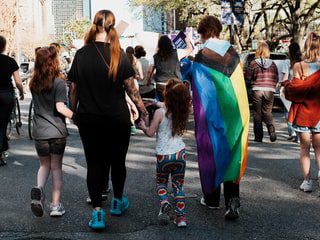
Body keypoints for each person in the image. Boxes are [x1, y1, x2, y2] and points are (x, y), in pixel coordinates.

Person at [69, 10, 148, 230]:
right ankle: (117, 201)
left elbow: (74, 88)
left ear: (94, 26)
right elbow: (132, 89)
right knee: (117, 162)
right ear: (112, 28)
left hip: (89, 119)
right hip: (117, 119)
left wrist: (73, 112)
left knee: (94, 164)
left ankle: (97, 213)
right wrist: (143, 111)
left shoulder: (81, 55)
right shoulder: (119, 55)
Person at [192, 16, 250, 220]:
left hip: (212, 113)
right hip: (236, 112)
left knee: (211, 151)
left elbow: (200, 90)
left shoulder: (201, 56)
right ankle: (232, 200)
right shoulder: (233, 53)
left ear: (203, 32)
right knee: (233, 152)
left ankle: (212, 198)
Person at [138, 80, 191, 227]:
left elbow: (150, 132)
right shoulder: (184, 111)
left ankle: (165, 203)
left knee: (161, 183)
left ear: (166, 95)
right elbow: (168, 105)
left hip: (164, 156)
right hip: (180, 154)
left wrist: (142, 125)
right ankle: (181, 218)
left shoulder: (160, 113)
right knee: (178, 186)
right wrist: (156, 103)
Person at [29, 46, 74, 217]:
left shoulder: (33, 84)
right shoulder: (58, 83)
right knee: (56, 168)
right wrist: (76, 117)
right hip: (56, 133)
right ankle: (55, 206)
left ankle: (39, 190)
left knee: (44, 165)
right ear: (53, 62)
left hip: (39, 132)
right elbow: (60, 107)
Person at [283, 32, 320, 192]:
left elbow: (294, 91)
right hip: (319, 113)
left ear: (306, 45)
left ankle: (307, 182)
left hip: (303, 113)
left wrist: (286, 85)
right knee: (319, 147)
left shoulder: (298, 66)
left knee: (305, 148)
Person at [0, 35, 24, 166]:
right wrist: (21, 92)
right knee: (2, 124)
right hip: (6, 94)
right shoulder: (10, 61)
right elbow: (18, 81)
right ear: (4, 47)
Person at [249, 41, 279, 142]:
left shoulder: (253, 63)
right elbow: (276, 77)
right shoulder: (273, 64)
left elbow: (249, 76)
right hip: (269, 90)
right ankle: (271, 131)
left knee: (257, 113)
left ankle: (258, 137)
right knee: (267, 111)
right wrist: (273, 86)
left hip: (257, 89)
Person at [148, 35, 193, 100]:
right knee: (175, 104)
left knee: (163, 103)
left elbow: (149, 71)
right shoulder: (177, 53)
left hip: (160, 84)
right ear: (170, 43)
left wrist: (148, 81)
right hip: (175, 84)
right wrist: (187, 41)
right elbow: (190, 49)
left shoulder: (155, 56)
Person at [281, 42, 302, 142]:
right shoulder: (303, 62)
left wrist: (282, 88)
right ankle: (298, 134)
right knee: (298, 112)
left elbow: (285, 78)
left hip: (290, 90)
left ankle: (293, 132)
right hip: (300, 90)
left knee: (288, 112)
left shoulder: (287, 63)